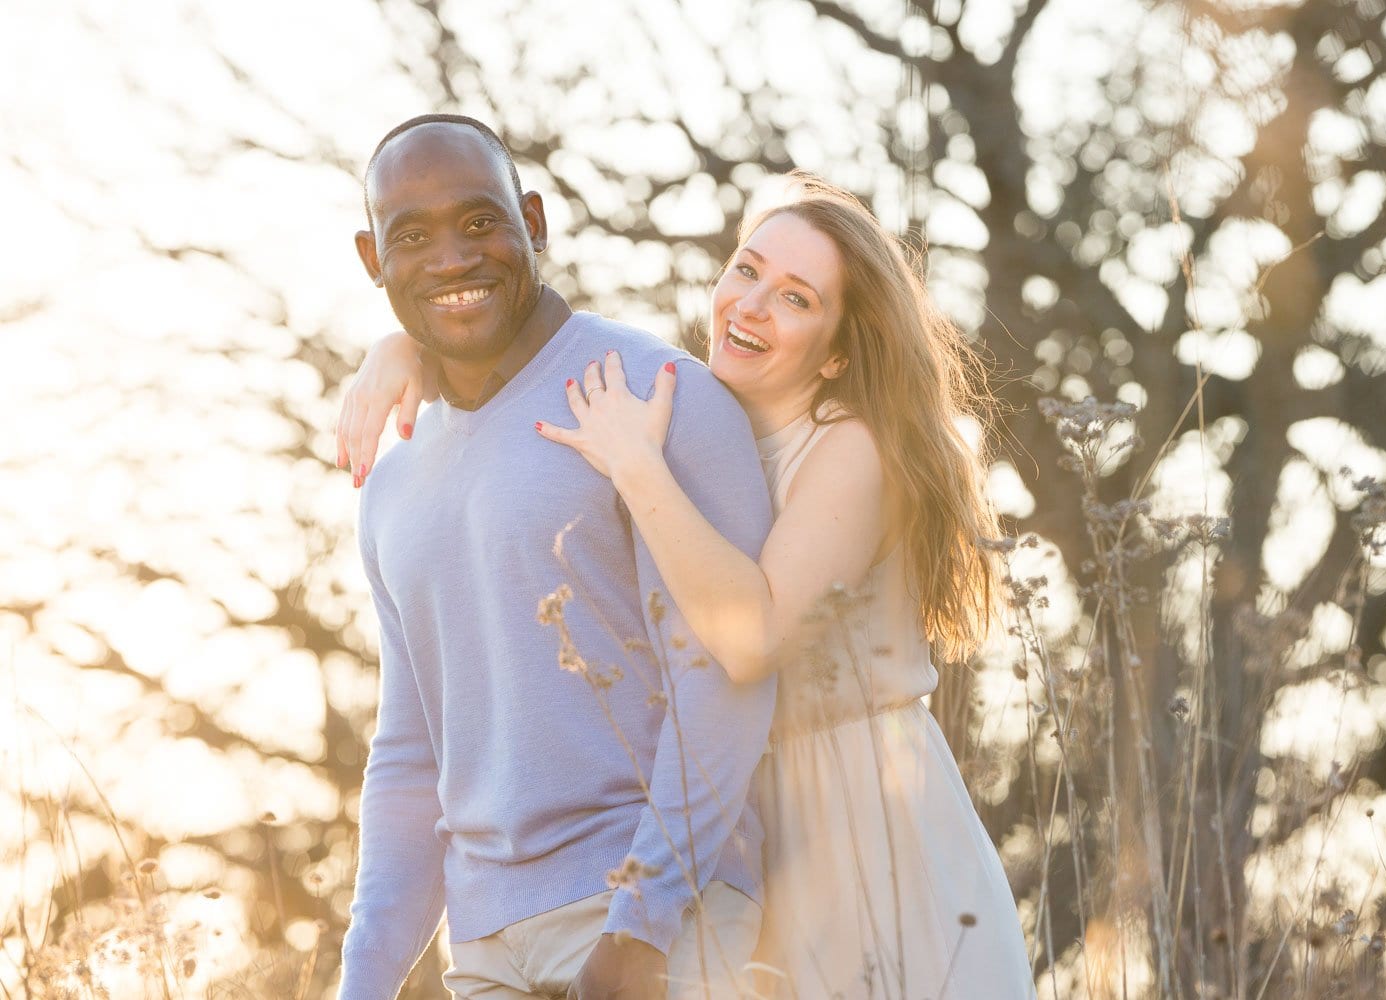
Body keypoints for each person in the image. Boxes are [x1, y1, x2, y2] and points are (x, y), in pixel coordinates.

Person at [340, 172, 1036, 998]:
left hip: (851, 812)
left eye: (796, 298)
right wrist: (412, 343)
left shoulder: (850, 449)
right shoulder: (703, 408)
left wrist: (638, 468)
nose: (750, 306)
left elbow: (749, 641)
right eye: (745, 271)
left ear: (841, 349)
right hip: (734, 807)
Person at [337, 113, 777, 1000]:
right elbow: (412, 754)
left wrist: (642, 923)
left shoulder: (654, 392)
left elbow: (723, 675)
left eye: (480, 221)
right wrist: (363, 981)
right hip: (487, 949)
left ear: (532, 222)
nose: (453, 258)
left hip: (663, 926)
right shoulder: (392, 481)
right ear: (372, 258)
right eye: (412, 237)